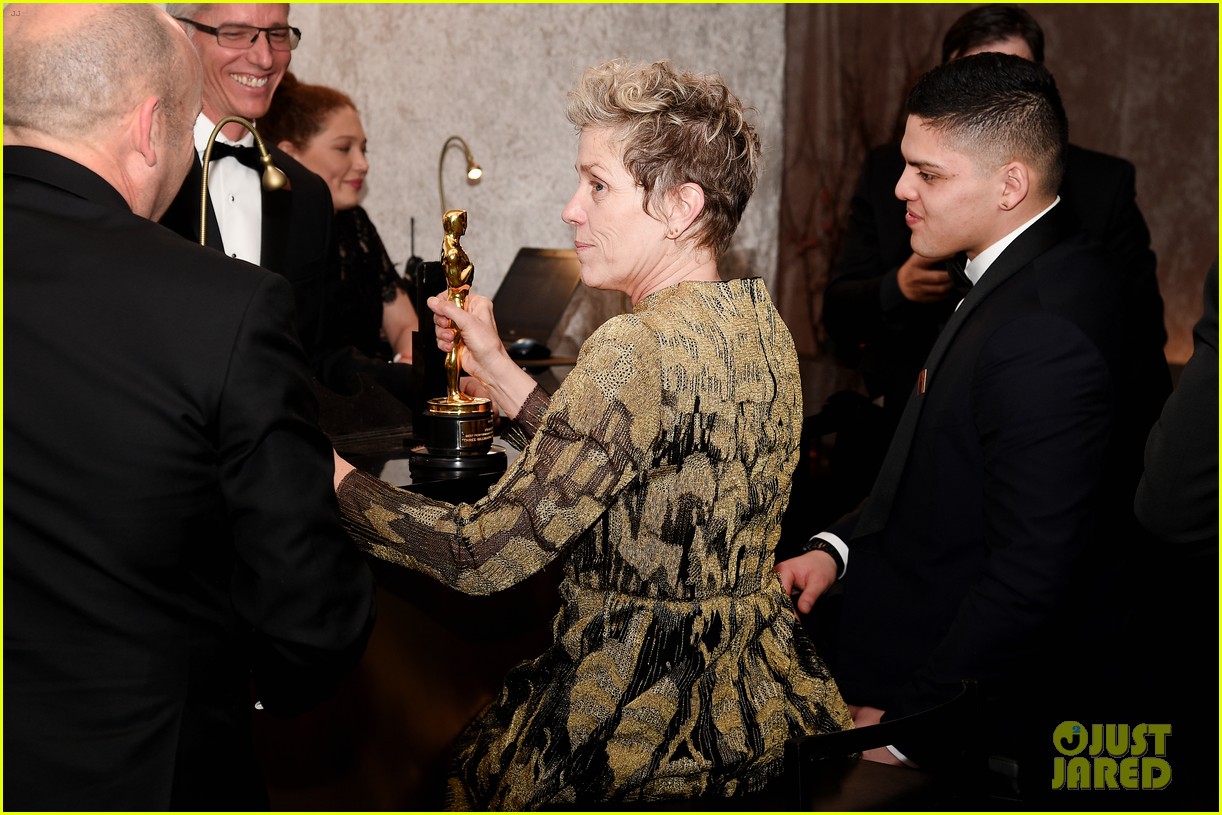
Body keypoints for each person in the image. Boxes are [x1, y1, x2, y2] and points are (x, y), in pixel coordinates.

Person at [333, 59, 852, 808]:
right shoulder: (758, 322)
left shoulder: (633, 347)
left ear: (681, 206)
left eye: (597, 185)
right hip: (754, 703)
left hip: (640, 720)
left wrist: (332, 476)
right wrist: (499, 370)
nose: (571, 208)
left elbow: (480, 554)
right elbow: (634, 463)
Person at [3, 5, 375, 810]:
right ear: (149, 128)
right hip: (152, 765)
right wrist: (252, 687)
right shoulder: (222, 306)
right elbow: (310, 612)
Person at [777, 53, 1169, 794]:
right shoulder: (1023, 272)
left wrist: (910, 734)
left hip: (965, 721)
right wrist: (837, 548)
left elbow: (1031, 571)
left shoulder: (1043, 328)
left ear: (1010, 185)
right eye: (906, 165)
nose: (901, 188)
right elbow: (943, 467)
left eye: (928, 173)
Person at [818, 4, 1165, 511]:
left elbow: (1138, 351)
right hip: (896, 449)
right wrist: (899, 287)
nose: (905, 188)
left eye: (1014, 74)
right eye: (977, 73)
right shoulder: (892, 172)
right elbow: (839, 312)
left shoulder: (1083, 238)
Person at [159, 4, 350, 387]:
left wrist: (439, 381)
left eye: (277, 35)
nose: (264, 58)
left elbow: (322, 360)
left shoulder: (308, 192)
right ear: (181, 35)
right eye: (235, 33)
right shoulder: (140, 170)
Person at [258, 72, 420, 399]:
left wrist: (407, 365)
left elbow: (405, 324)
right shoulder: (269, 231)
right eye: (344, 148)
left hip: (370, 400)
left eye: (364, 149)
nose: (362, 164)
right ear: (288, 155)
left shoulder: (354, 223)